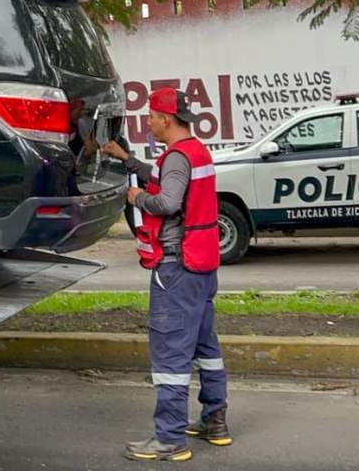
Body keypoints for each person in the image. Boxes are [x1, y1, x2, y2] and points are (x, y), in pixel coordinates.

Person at [102, 87, 230, 462]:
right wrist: (127, 159)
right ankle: (215, 421)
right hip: (202, 265)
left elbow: (167, 200)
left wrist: (136, 198)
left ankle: (170, 439)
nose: (149, 123)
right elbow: (165, 177)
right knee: (206, 346)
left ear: (166, 119)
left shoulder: (176, 158)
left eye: (152, 118)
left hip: (175, 268)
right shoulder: (196, 151)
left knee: (172, 354)